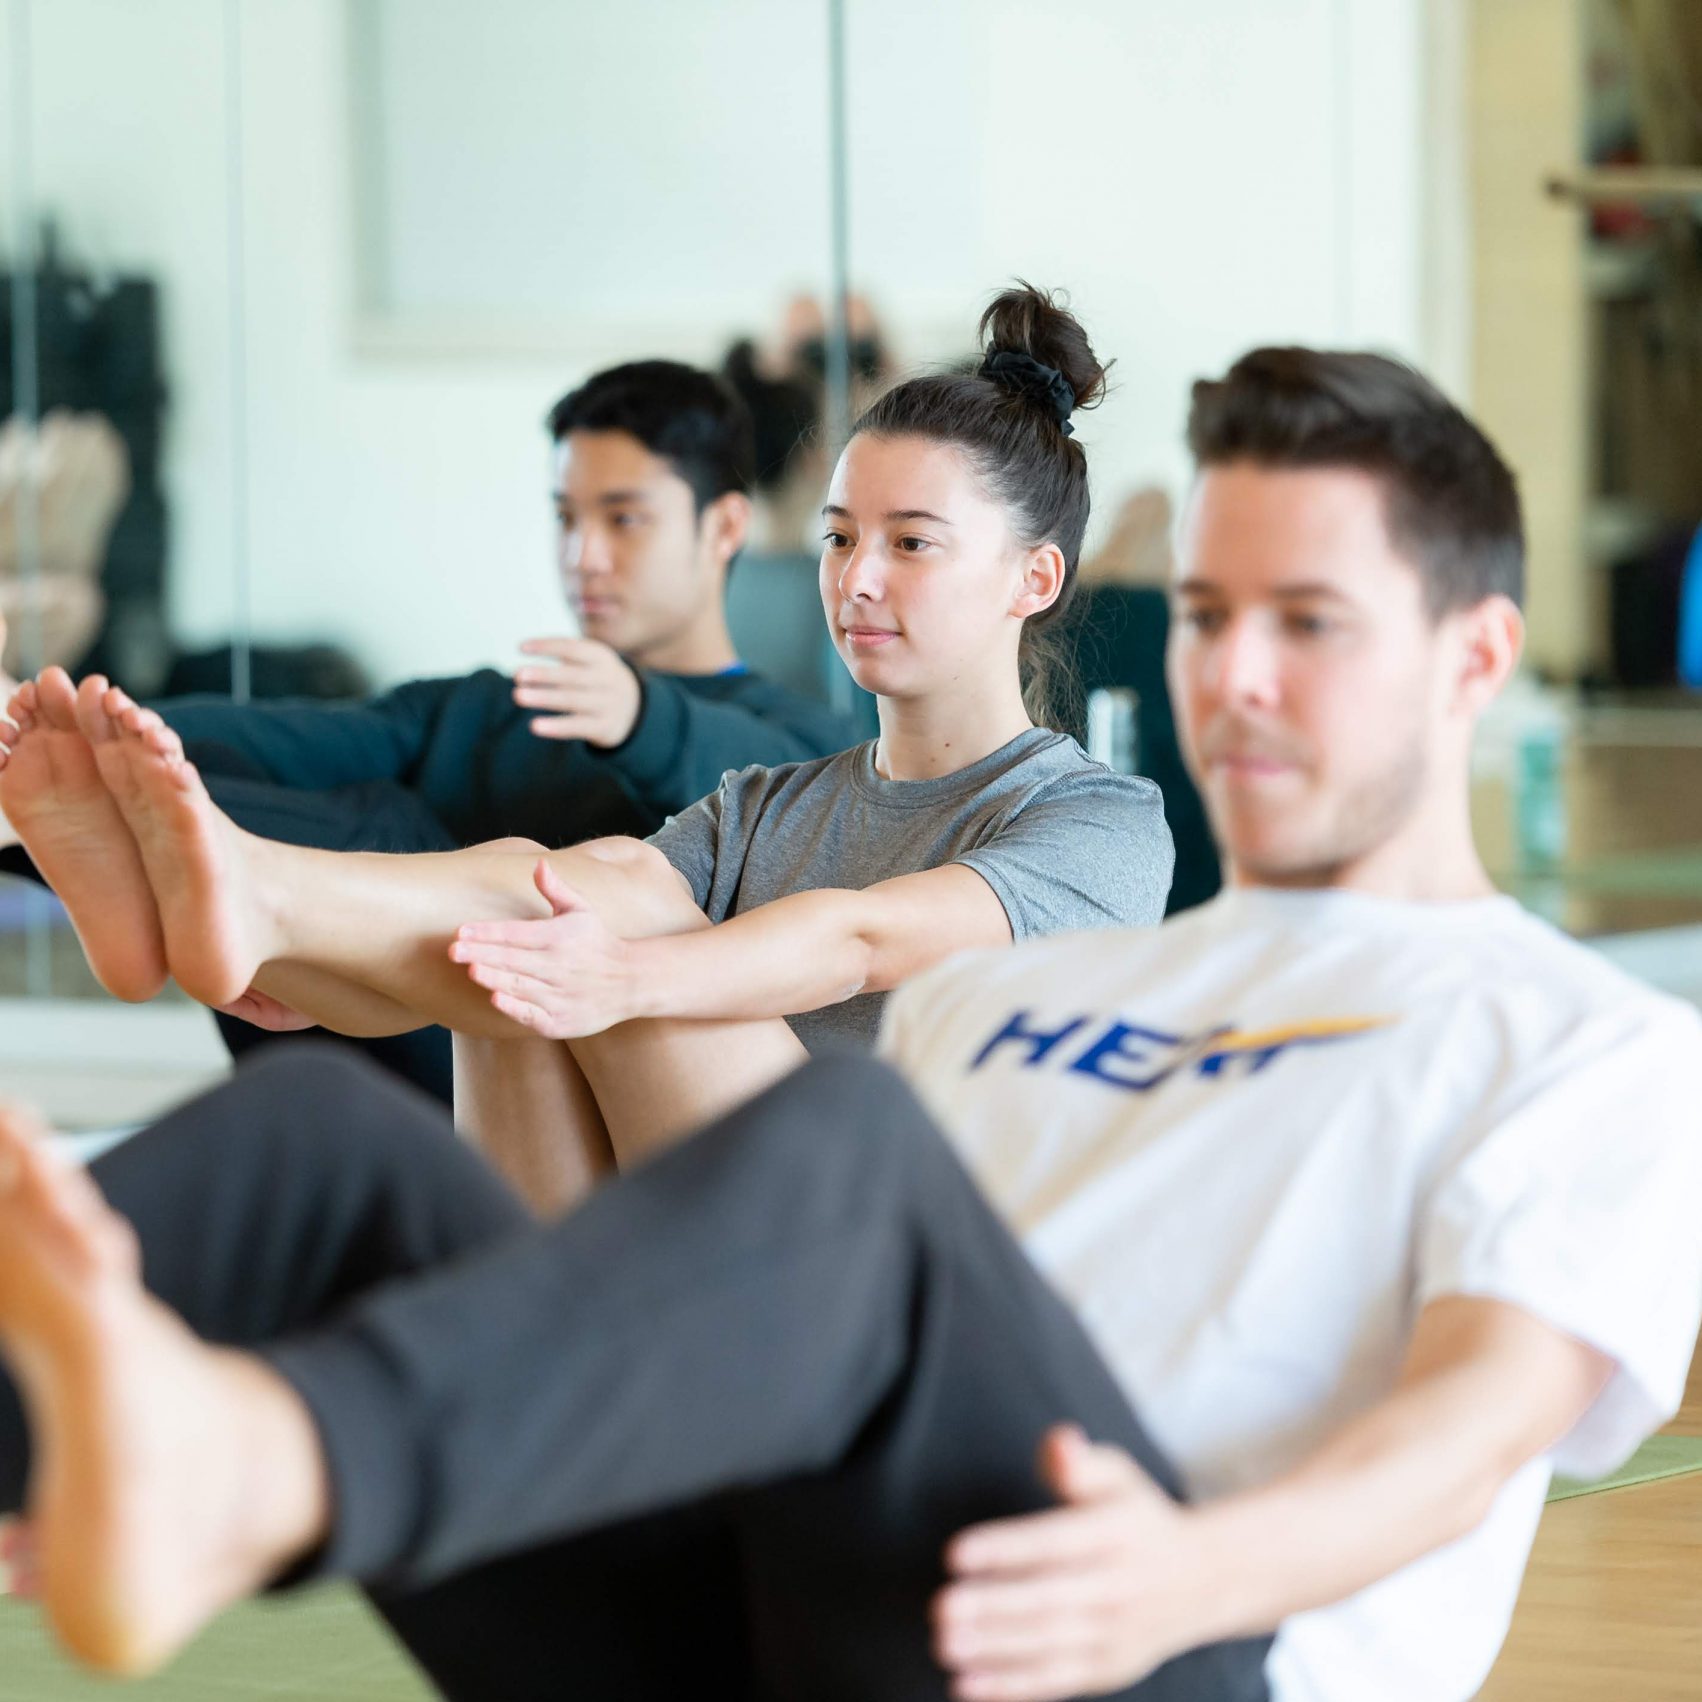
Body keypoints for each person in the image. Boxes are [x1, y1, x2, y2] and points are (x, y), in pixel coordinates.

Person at [1, 346, 1699, 1701]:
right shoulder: (1083, 998)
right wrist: (291, 956)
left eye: (1307, 624)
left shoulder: (1579, 1043)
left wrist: (1193, 1571)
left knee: (834, 1117)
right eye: (1203, 616)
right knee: (319, 1144)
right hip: (814, 1582)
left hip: (1154, 1638)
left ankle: (270, 1458)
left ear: (1475, 656)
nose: (1233, 675)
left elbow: (1466, 1429)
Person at [1, 285, 1173, 1209]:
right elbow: (543, 904)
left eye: (912, 543)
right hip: (687, 1255)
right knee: (555, 908)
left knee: (600, 932)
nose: (856, 578)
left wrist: (626, 969)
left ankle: (260, 890)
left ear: (1036, 576)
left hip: (887, 1276)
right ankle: (253, 904)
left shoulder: (1098, 823)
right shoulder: (768, 801)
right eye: (838, 537)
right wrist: (315, 968)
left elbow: (856, 939)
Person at [0, 361, 858, 1100]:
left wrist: (642, 717)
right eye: (567, 517)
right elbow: (292, 739)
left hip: (559, 1087)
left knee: (391, 832)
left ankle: (108, 823)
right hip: (347, 1076)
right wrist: (77, 729)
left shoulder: (793, 735)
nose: (584, 555)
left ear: (726, 527)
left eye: (623, 518)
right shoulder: (493, 705)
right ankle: (47, 789)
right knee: (294, 779)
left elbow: (775, 802)